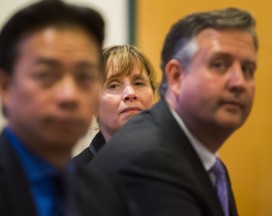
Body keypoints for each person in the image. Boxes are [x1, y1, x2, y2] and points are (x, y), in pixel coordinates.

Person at [90, 7, 258, 216]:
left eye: (247, 69)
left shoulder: (210, 162)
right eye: (219, 65)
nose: (239, 82)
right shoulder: (150, 158)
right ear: (176, 77)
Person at [0, 1, 131, 216]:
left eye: (84, 77)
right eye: (45, 75)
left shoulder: (103, 192)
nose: (69, 96)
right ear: (5, 87)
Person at [73, 45, 156, 165]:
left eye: (138, 83)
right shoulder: (72, 179)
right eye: (113, 85)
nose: (130, 93)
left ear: (153, 95)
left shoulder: (181, 164)